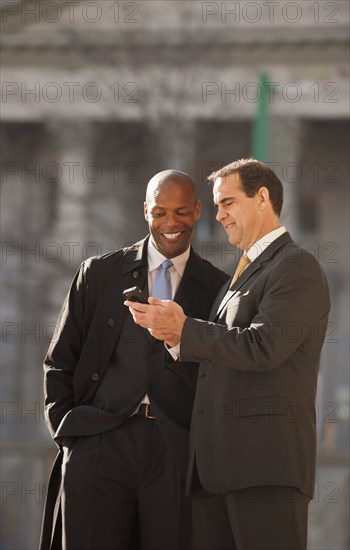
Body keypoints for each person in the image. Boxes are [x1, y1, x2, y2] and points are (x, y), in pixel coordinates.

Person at [126, 159, 331, 550]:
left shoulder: (296, 267)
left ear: (263, 198)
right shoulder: (242, 274)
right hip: (214, 473)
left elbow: (264, 347)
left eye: (227, 203)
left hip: (263, 470)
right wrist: (173, 339)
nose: (218, 215)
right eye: (217, 205)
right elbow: (218, 366)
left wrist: (186, 329)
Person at [40, 169, 229, 550]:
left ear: (197, 212)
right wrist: (68, 431)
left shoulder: (218, 288)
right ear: (145, 211)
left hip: (174, 451)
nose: (170, 223)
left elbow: (221, 373)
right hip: (99, 443)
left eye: (180, 212)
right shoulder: (98, 274)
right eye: (160, 212)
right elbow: (60, 362)